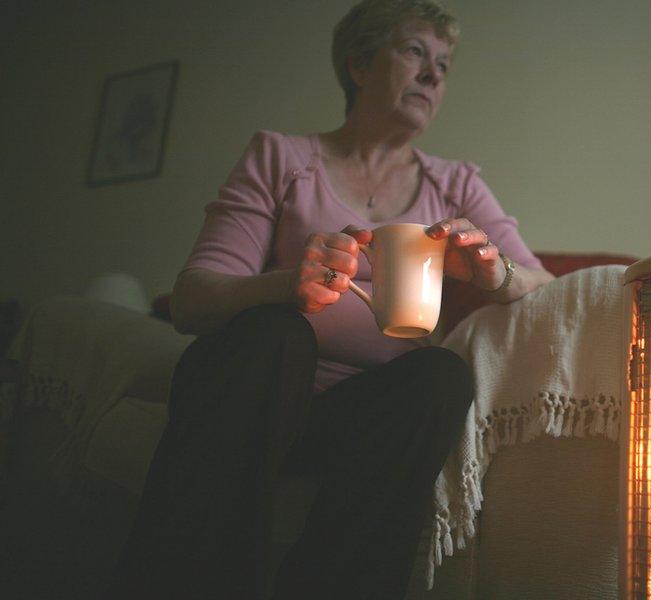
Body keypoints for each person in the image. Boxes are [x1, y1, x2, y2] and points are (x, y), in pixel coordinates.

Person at [102, 1, 554, 599]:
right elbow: (192, 301)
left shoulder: (458, 184)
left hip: (365, 415)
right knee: (276, 331)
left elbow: (545, 285)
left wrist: (496, 274)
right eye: (415, 52)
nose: (434, 75)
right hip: (260, 394)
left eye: (443, 64)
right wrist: (287, 284)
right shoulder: (282, 157)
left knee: (441, 373)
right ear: (360, 65)